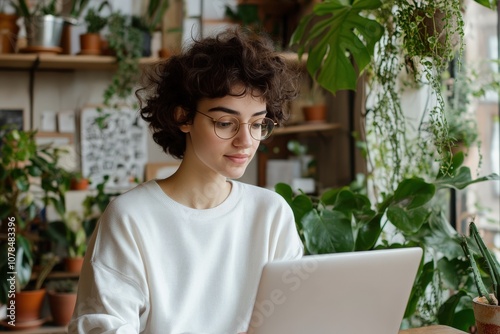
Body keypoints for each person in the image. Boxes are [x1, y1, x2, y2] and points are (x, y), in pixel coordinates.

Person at [69, 27, 304, 333]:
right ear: (184, 118)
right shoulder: (131, 218)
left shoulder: (271, 214)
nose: (246, 141)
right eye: (225, 123)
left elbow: (293, 320)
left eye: (258, 124)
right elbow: (103, 327)